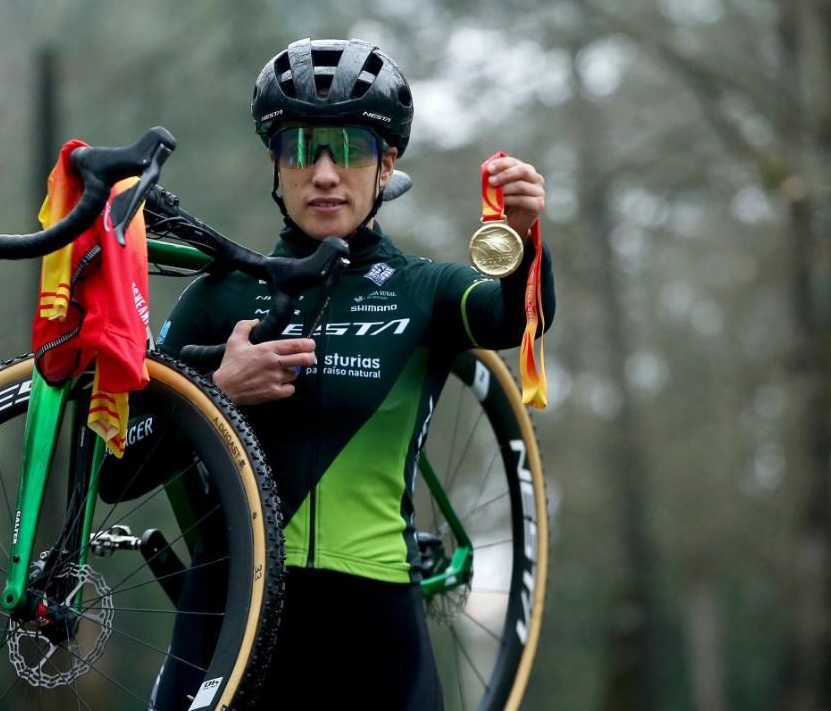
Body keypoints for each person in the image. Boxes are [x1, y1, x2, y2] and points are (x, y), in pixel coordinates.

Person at [155, 37, 555, 709]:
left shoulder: (421, 290)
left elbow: (514, 320)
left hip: (372, 623)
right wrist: (215, 394)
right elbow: (118, 470)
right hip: (229, 611)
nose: (324, 173)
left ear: (386, 164)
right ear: (274, 166)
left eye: (349, 148)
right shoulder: (219, 298)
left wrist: (523, 236)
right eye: (299, 149)